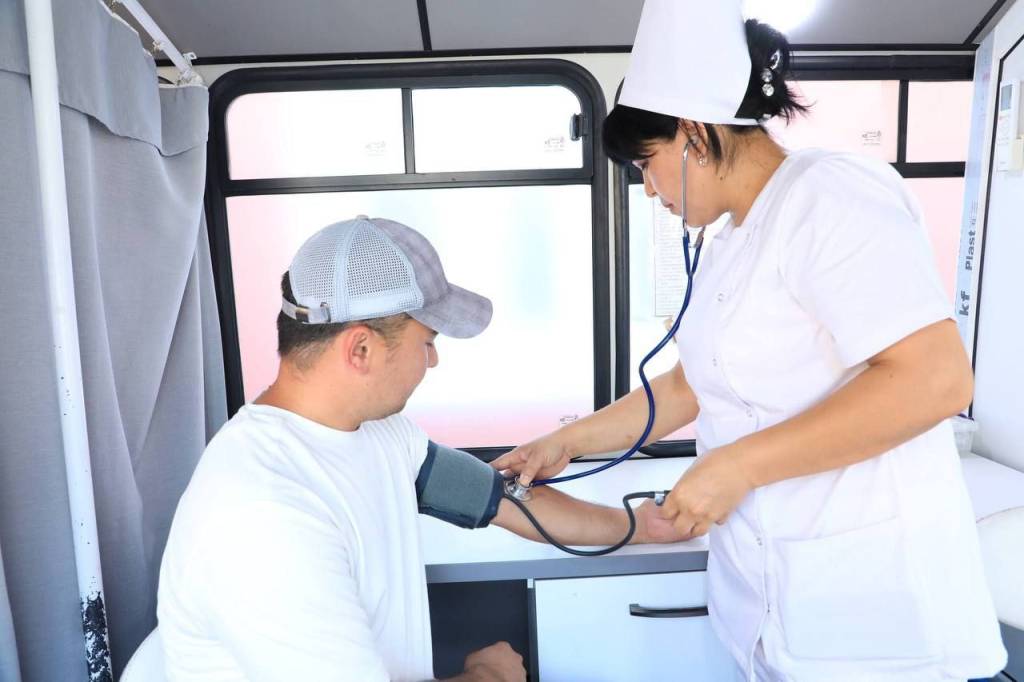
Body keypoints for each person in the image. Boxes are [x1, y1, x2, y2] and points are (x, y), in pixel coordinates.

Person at [491, 1, 1007, 680]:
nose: (648, 190)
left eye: (646, 164)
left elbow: (934, 379)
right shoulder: (731, 239)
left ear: (694, 134)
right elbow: (690, 385)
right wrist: (568, 441)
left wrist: (736, 467)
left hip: (871, 609)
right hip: (773, 604)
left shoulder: (830, 196)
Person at [157, 215, 680, 682]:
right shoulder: (262, 514)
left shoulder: (381, 434)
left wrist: (641, 526)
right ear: (360, 348)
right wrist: (490, 677)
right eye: (427, 341)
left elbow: (502, 499)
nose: (432, 361)